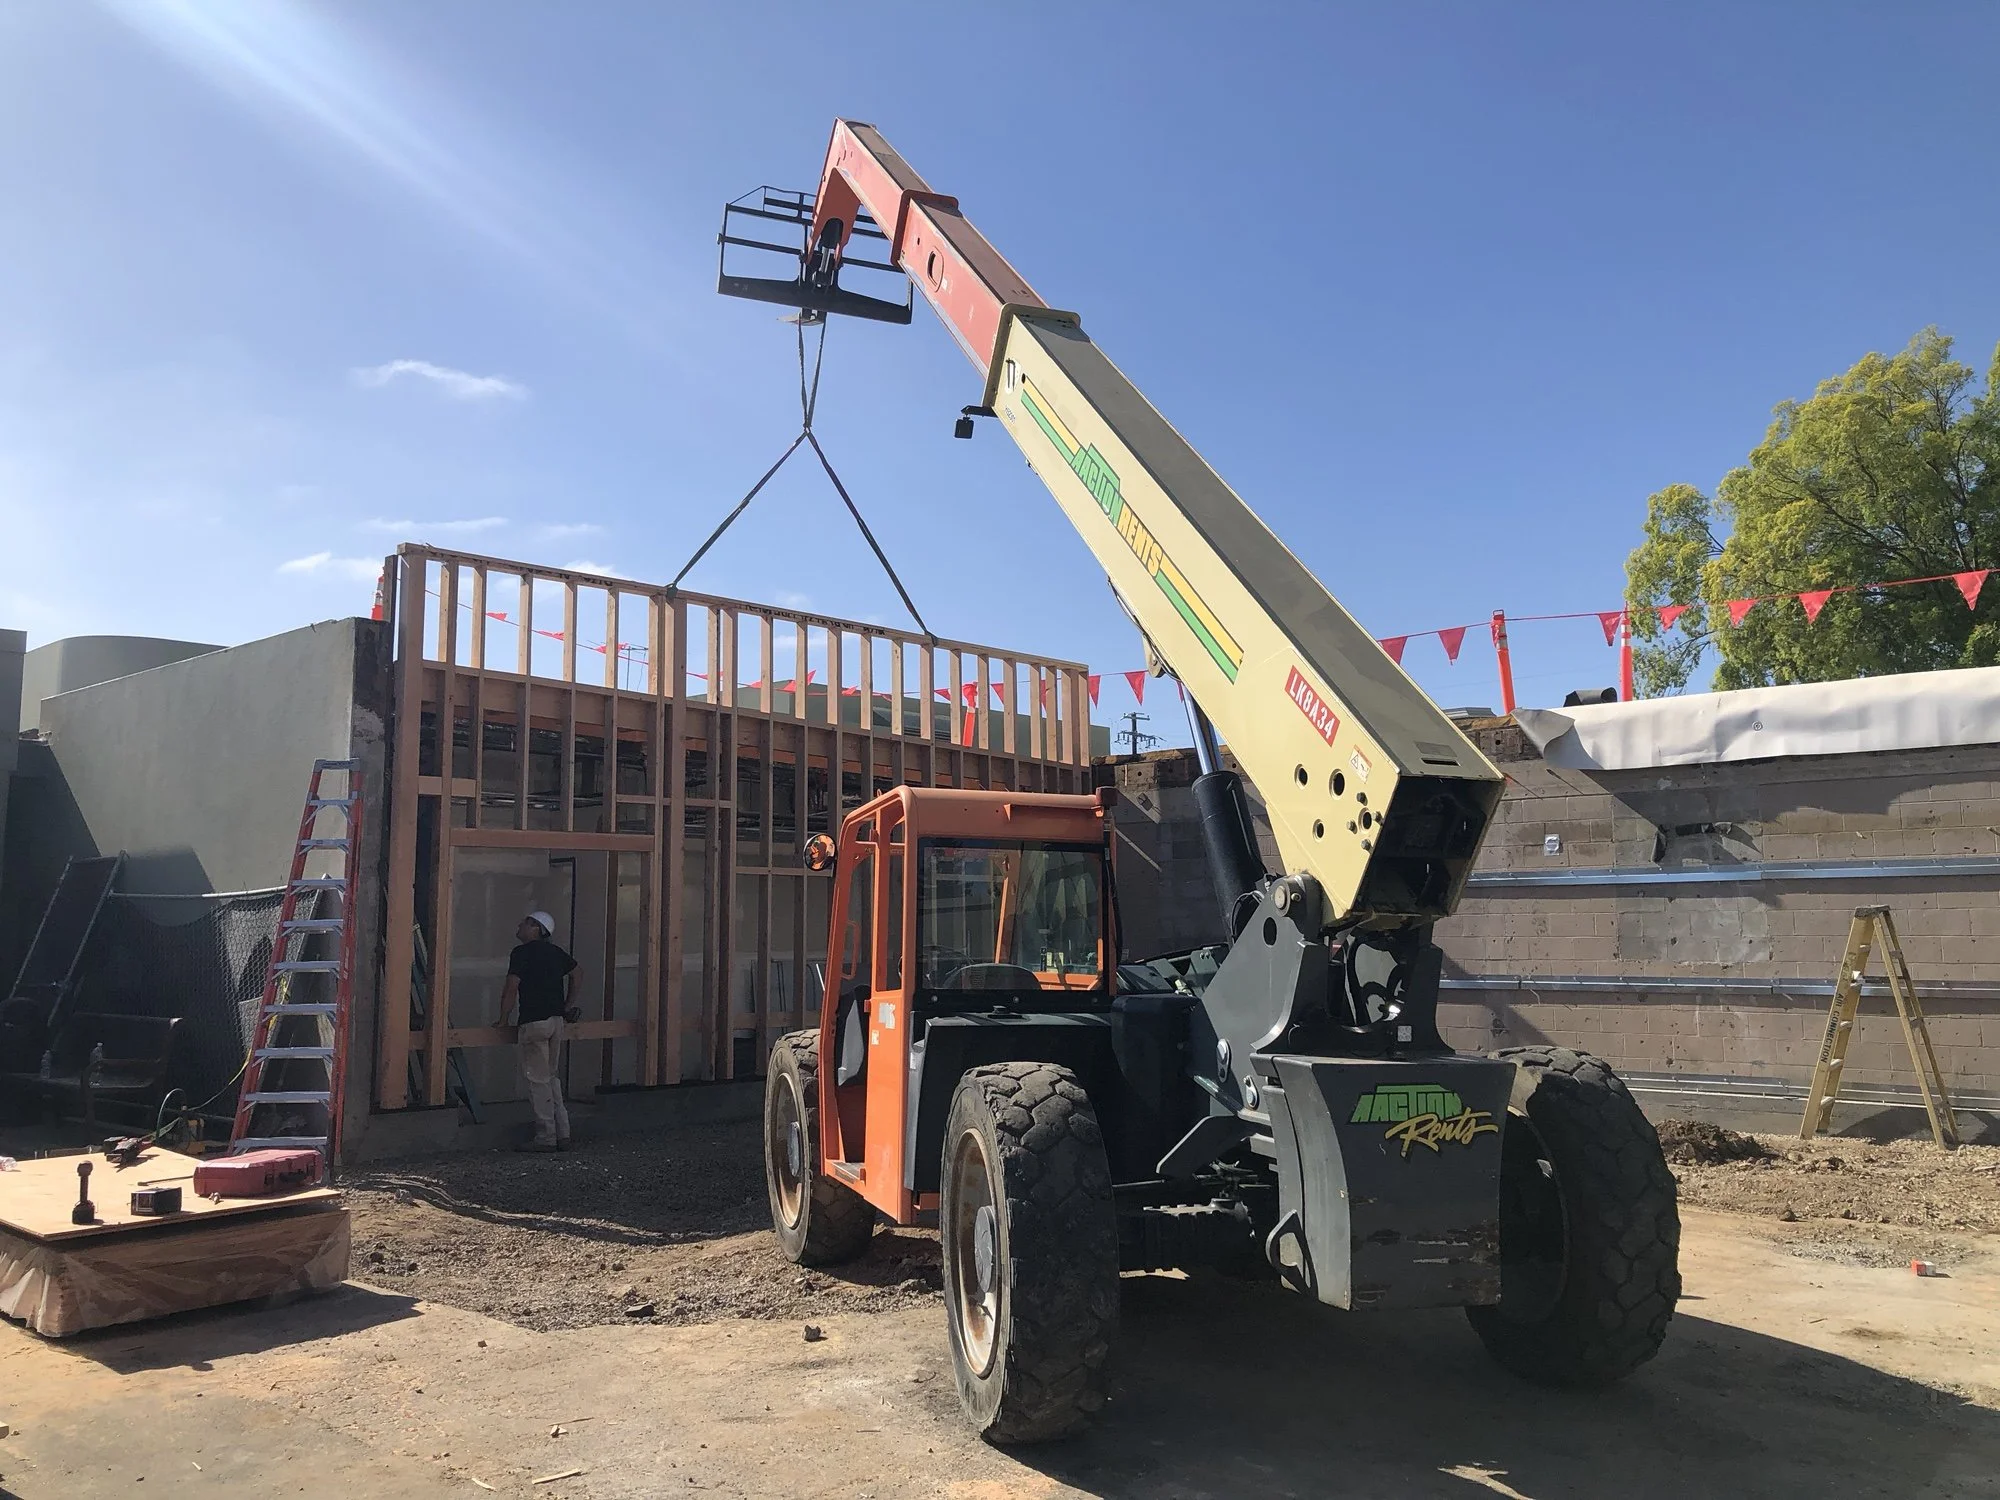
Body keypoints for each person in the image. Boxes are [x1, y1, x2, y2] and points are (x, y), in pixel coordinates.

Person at [500, 910, 579, 1152]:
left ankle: (546, 1137)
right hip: (556, 1021)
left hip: (534, 1022)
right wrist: (567, 1005)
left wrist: (503, 1018)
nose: (520, 925)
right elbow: (578, 973)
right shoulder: (555, 953)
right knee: (551, 1077)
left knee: (537, 1080)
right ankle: (563, 1133)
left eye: (525, 923)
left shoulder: (521, 953)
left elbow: (512, 987)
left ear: (536, 929)